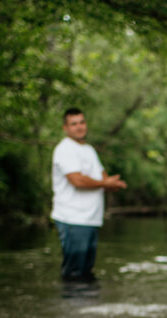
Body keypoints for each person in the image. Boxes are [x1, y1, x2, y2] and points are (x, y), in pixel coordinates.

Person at [51, 107, 126, 282]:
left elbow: (102, 177)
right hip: (72, 218)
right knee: (74, 271)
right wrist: (104, 183)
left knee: (86, 271)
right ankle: (71, 307)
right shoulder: (65, 149)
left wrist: (113, 184)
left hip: (90, 218)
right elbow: (77, 181)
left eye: (82, 122)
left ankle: (87, 306)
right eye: (74, 124)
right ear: (66, 128)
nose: (79, 127)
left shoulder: (89, 150)